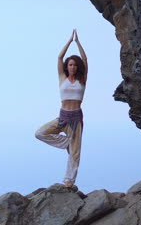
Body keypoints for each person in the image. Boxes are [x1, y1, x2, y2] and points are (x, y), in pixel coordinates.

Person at [35, 29, 88, 188]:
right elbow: (59, 57)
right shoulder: (62, 78)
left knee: (75, 153)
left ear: (78, 67)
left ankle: (69, 180)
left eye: (75, 65)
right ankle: (66, 142)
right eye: (70, 64)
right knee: (40, 133)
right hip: (63, 116)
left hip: (76, 118)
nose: (72, 67)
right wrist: (69, 41)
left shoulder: (82, 80)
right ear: (67, 66)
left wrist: (78, 43)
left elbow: (85, 59)